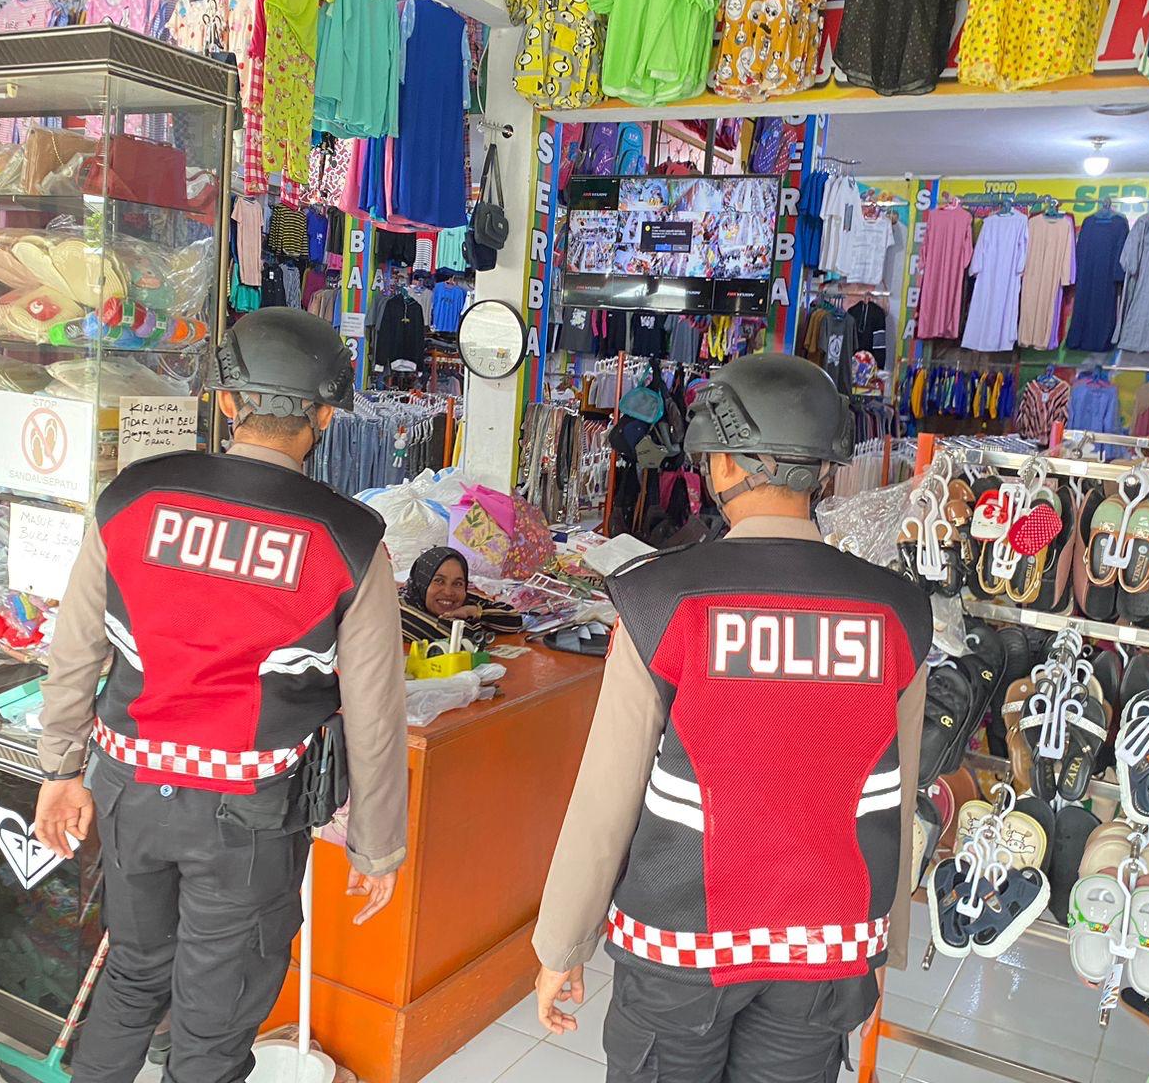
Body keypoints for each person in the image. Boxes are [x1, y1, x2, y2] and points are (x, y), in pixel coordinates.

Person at [531, 354, 932, 1083]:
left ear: (722, 466)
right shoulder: (898, 612)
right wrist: (884, 943)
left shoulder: (659, 600)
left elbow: (606, 796)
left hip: (679, 946)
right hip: (829, 947)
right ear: (825, 471)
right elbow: (894, 798)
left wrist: (563, 943)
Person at [32, 307, 409, 1083]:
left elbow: (75, 651)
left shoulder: (133, 497)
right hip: (251, 819)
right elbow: (374, 714)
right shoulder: (350, 540)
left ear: (228, 402)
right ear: (326, 417)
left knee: (132, 977)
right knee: (214, 1022)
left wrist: (59, 769)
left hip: (129, 793)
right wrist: (377, 843)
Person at [399, 546, 522, 647]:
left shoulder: (460, 598)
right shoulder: (400, 610)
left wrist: (472, 611)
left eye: (457, 583)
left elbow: (514, 619)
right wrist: (477, 624)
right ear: (422, 582)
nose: (448, 592)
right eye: (439, 581)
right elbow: (462, 638)